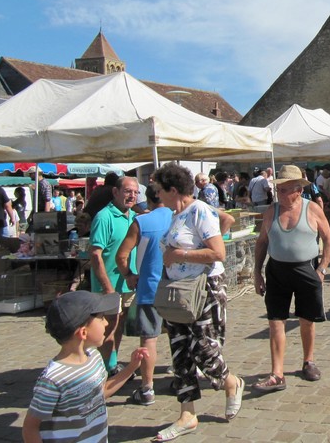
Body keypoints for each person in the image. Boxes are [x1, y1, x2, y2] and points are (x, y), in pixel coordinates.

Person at [152, 162, 244, 440]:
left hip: (203, 289)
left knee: (204, 349)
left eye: (160, 190)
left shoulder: (199, 210)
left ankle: (231, 382)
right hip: (178, 291)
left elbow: (218, 253)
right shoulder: (174, 215)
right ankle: (187, 414)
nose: (157, 195)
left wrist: (179, 255)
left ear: (173, 189)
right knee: (180, 352)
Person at [22, 291, 148, 443]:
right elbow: (30, 427)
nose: (106, 323)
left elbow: (101, 392)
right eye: (101, 318)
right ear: (83, 332)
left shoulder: (94, 358)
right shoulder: (53, 379)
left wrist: (131, 368)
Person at [253, 165, 330, 394]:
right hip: (277, 270)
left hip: (306, 269)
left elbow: (329, 240)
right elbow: (261, 243)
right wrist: (257, 272)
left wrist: (322, 270)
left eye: (285, 190)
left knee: (306, 319)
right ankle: (277, 373)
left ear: (298, 190)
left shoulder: (313, 209)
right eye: (279, 189)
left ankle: (308, 361)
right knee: (275, 321)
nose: (280, 194)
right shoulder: (271, 211)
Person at [115, 182, 174, 406]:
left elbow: (122, 256)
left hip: (149, 287)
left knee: (149, 339)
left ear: (147, 199)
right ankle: (181, 378)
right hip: (175, 287)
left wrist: (129, 275)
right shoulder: (178, 216)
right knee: (177, 335)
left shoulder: (141, 222)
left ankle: (147, 388)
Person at [89, 176, 140, 377]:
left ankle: (111, 362)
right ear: (115, 192)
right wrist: (107, 286)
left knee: (118, 325)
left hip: (127, 282)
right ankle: (106, 367)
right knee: (107, 327)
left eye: (135, 192)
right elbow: (95, 253)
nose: (132, 196)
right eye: (128, 191)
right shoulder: (104, 217)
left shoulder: (132, 216)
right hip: (109, 284)